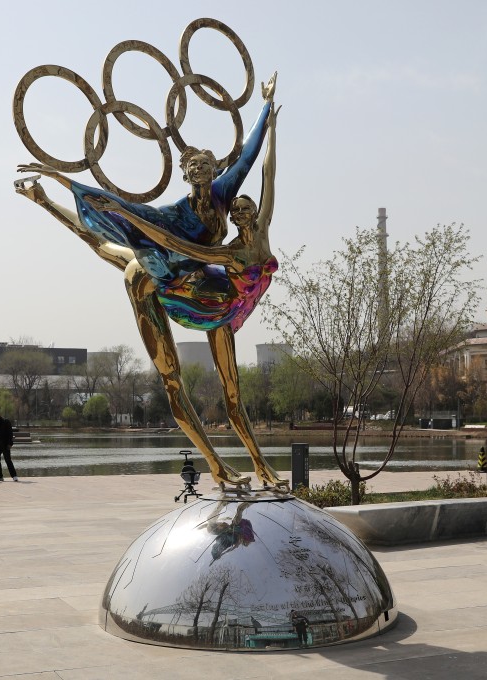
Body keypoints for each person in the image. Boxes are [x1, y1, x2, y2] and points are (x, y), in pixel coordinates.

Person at [15, 76, 286, 489]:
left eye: (205, 164)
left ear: (215, 169)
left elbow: (254, 162)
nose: (199, 169)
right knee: (170, 373)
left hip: (212, 295)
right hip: (160, 280)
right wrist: (60, 181)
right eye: (191, 165)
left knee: (234, 391)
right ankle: (214, 464)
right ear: (183, 173)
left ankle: (261, 465)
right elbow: (152, 230)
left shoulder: (226, 198)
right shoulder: (175, 215)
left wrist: (266, 110)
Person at [0, 409, 18, 482]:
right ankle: (0, 476)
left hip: (5, 444)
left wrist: (10, 444)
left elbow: (10, 433)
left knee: (8, 460)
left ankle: (14, 475)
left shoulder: (6, 422)